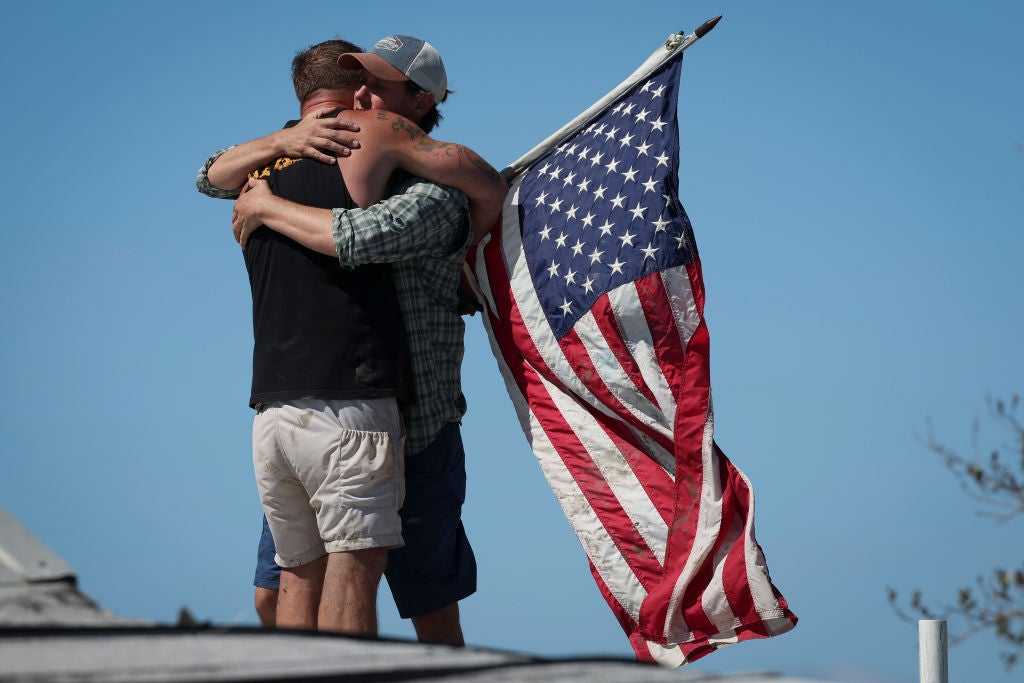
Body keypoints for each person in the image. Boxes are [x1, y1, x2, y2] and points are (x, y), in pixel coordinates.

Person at [196, 36, 506, 641]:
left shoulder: (436, 193)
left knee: (424, 600)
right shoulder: (326, 154)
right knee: (288, 588)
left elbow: (364, 237)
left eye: (377, 85)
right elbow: (209, 174)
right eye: (357, 81)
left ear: (419, 103)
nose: (360, 95)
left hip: (413, 423)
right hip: (338, 406)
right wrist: (279, 148)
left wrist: (263, 207)